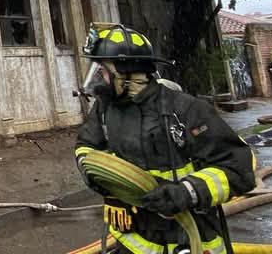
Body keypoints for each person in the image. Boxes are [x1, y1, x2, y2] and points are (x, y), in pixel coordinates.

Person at [75, 25, 256, 254]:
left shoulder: (185, 110)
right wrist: (99, 178)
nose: (97, 79)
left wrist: (187, 192)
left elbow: (239, 169)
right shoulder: (104, 109)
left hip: (189, 237)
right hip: (132, 239)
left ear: (126, 73)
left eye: (102, 70)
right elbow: (85, 147)